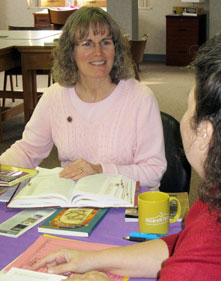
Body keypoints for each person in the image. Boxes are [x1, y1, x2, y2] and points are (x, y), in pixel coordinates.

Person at [33, 30, 221, 281]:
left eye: (188, 108)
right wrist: (93, 259)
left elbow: (201, 256)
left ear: (205, 133)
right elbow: (183, 246)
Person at [0, 7, 166, 190]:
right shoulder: (54, 97)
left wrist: (100, 170)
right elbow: (27, 151)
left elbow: (153, 171)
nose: (98, 52)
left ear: (116, 49)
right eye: (87, 43)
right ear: (71, 52)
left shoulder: (140, 98)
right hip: (74, 202)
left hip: (128, 203)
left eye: (106, 42)